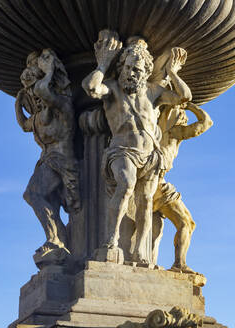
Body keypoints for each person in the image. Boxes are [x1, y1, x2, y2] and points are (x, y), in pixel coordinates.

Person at [82, 30, 191, 264]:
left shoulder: (153, 91)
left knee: (145, 203)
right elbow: (91, 88)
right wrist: (103, 64)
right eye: (129, 67)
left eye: (138, 69)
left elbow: (184, 97)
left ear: (146, 72)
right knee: (126, 184)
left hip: (150, 155)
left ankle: (141, 253)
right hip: (122, 151)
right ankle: (110, 242)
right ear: (121, 67)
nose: (133, 73)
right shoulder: (112, 88)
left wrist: (172, 72)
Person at [15, 49, 80, 267]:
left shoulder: (62, 105)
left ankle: (56, 240)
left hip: (61, 159)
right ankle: (57, 239)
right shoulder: (40, 115)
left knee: (33, 194)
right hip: (48, 159)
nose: (33, 93)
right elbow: (24, 125)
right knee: (36, 196)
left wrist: (49, 70)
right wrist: (18, 102)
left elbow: (44, 91)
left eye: (34, 88)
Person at [152, 102, 213, 273]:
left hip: (157, 181)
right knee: (186, 223)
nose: (186, 118)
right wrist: (192, 106)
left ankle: (179, 262)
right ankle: (179, 264)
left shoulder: (163, 130)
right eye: (182, 115)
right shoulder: (175, 132)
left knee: (186, 224)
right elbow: (206, 122)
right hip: (157, 184)